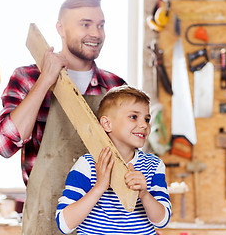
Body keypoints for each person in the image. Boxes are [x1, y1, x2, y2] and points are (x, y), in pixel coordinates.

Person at [0, 0, 126, 185]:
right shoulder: (27, 77)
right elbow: (4, 146)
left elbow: (128, 158)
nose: (96, 34)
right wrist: (46, 79)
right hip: (43, 210)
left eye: (100, 25)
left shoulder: (115, 86)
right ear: (60, 29)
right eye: (85, 24)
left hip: (101, 211)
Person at [56, 85, 171, 234]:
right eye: (133, 117)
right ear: (107, 124)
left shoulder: (154, 165)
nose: (144, 125)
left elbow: (162, 220)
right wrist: (99, 187)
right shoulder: (87, 165)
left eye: (147, 119)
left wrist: (144, 194)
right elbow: (65, 224)